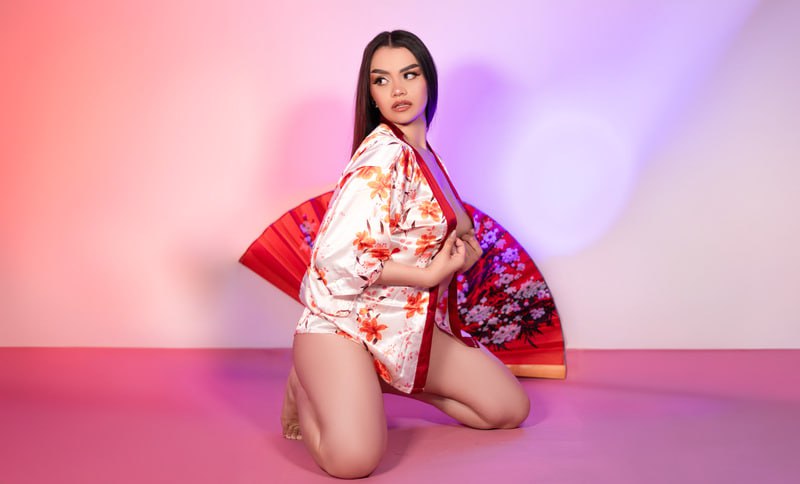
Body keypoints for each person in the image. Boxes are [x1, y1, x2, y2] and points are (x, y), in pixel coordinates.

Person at [281, 30, 530, 479]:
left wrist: (463, 248)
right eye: (381, 80)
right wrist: (429, 275)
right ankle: (308, 384)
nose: (397, 89)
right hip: (343, 324)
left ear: (428, 80)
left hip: (407, 327)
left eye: (409, 75)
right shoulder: (382, 157)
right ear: (371, 94)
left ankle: (378, 379)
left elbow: (437, 226)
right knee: (353, 460)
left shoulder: (427, 154)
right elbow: (334, 259)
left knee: (507, 409)